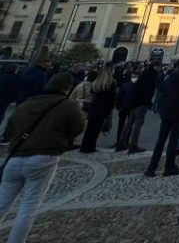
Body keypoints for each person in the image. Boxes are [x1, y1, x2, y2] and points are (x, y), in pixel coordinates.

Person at [0, 73, 85, 242]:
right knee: (29, 206)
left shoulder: (25, 105)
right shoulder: (68, 105)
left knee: (2, 203)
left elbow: (8, 133)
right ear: (66, 88)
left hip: (15, 156)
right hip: (44, 158)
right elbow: (77, 128)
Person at [145, 58, 179, 177]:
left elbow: (160, 87)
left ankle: (151, 168)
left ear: (177, 65)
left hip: (166, 111)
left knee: (161, 140)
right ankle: (169, 166)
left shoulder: (170, 76)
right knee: (173, 140)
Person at [115, 62, 160, 153]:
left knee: (129, 123)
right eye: (159, 66)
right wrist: (147, 102)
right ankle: (133, 145)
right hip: (142, 103)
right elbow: (148, 91)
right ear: (155, 67)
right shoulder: (150, 76)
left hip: (135, 102)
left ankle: (121, 143)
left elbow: (135, 87)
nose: (160, 68)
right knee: (138, 124)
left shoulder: (144, 74)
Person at [80, 66, 116, 153]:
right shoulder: (111, 83)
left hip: (93, 107)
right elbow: (112, 98)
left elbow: (92, 92)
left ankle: (84, 147)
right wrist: (110, 110)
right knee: (96, 129)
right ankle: (91, 147)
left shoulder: (96, 82)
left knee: (90, 128)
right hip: (103, 108)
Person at [0, 64, 19, 130]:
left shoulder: (1, 75)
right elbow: (12, 90)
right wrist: (12, 99)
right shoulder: (14, 78)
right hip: (4, 100)